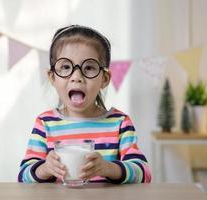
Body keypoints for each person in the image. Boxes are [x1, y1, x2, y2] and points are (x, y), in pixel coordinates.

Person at [18, 25, 151, 184]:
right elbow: (23, 176)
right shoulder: (45, 123)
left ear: (105, 79)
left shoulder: (120, 123)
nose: (76, 76)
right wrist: (45, 169)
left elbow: (144, 174)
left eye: (88, 68)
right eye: (66, 67)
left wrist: (109, 168)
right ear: (52, 77)